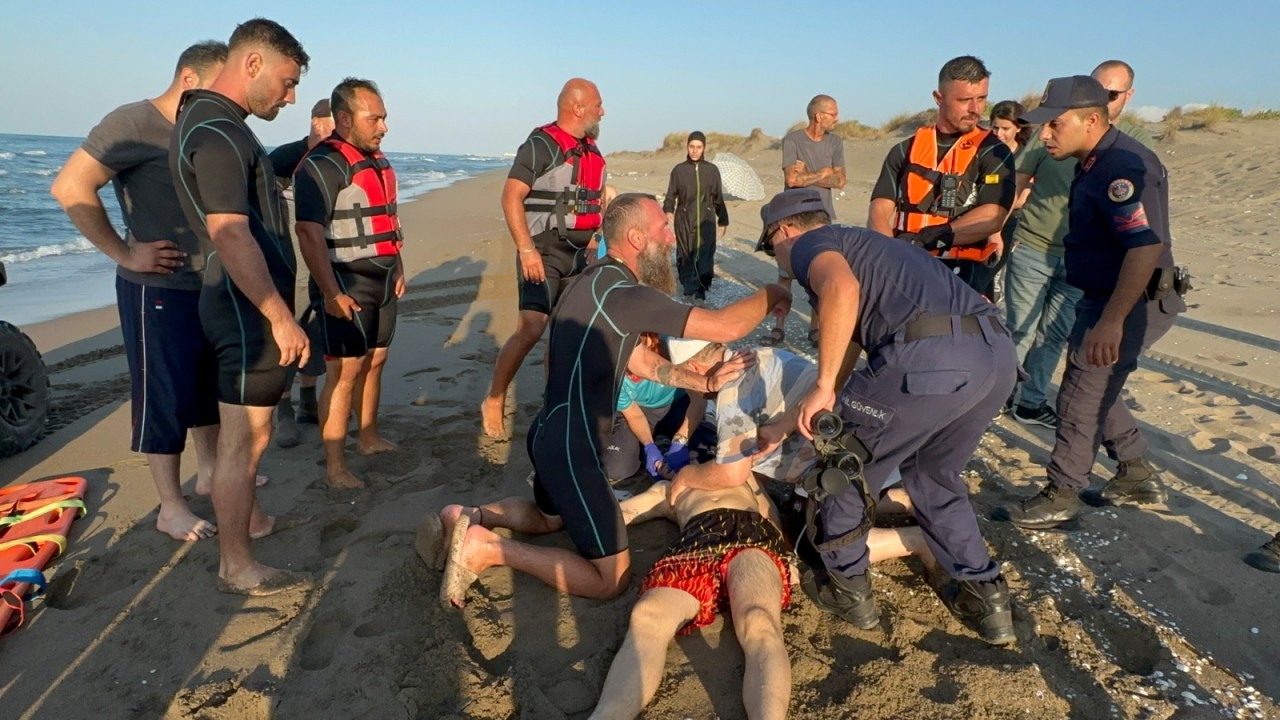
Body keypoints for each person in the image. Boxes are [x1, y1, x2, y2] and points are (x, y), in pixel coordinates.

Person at [430, 194, 790, 607]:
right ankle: (487, 550)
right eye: (662, 230)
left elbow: (636, 358)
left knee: (550, 517)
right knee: (611, 580)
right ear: (637, 238)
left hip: (548, 431)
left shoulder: (588, 280)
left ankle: (466, 515)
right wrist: (772, 291)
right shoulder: (628, 295)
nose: (670, 239)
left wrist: (700, 382)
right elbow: (724, 327)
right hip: (575, 448)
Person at [588, 345, 939, 719]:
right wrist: (576, 514)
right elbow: (622, 513)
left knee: (758, 621)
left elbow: (769, 513)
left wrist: (784, 556)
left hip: (749, 537)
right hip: (697, 542)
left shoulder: (738, 476)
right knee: (646, 617)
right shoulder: (669, 490)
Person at [758, 187, 1018, 645]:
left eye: (771, 245)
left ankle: (847, 588)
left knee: (844, 465)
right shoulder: (873, 249)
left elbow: (841, 289)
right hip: (994, 356)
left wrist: (821, 390)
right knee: (934, 476)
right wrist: (789, 421)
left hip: (929, 356)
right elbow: (847, 352)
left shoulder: (811, 246)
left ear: (784, 229)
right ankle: (987, 598)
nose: (778, 258)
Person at [50, 42, 229, 542]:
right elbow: (70, 187)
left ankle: (210, 470)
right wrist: (126, 253)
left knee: (203, 387)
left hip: (205, 284)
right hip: (156, 289)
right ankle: (170, 506)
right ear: (191, 80)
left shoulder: (204, 128)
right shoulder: (132, 122)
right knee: (163, 395)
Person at [996, 75, 1186, 530]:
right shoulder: (1094, 159)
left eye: (1054, 125)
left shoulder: (1121, 167)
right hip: (1104, 295)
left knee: (1080, 396)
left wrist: (1112, 322)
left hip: (1131, 300)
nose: (1044, 135)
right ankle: (1136, 471)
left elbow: (1143, 247)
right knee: (1095, 385)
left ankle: (1062, 493)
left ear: (1091, 119)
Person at [169, 18, 312, 596]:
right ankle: (237, 565)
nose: (291, 95)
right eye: (287, 80)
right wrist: (280, 316)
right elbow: (229, 232)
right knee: (244, 442)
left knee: (249, 437)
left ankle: (252, 520)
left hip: (240, 306)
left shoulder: (216, 123)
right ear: (252, 64)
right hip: (244, 312)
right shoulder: (218, 131)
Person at [1003, 60, 1156, 429]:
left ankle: (1031, 402)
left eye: (1112, 94)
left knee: (1054, 336)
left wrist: (1115, 318)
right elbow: (1016, 183)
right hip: (1035, 246)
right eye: (1098, 91)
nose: (1046, 133)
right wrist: (997, 230)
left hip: (1079, 264)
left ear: (1126, 97)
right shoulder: (1054, 135)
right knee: (1019, 328)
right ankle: (1000, 393)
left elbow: (1144, 239)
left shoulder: (1131, 153)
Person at [293, 78, 404, 490]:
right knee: (344, 372)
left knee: (376, 360)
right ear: (344, 118)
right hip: (346, 281)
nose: (383, 126)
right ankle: (335, 466)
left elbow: (389, 220)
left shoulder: (377, 160)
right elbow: (308, 232)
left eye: (384, 117)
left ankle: (369, 437)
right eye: (374, 118)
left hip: (384, 278)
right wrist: (331, 292)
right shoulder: (323, 164)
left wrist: (399, 268)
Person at [481, 78, 607, 438]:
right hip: (544, 251)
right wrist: (526, 250)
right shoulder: (541, 145)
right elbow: (511, 197)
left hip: (579, 255)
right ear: (577, 107)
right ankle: (494, 398)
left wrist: (594, 238)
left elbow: (594, 202)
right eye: (598, 104)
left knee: (565, 334)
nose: (603, 110)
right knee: (532, 327)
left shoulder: (592, 151)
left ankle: (555, 404)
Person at [868, 56, 1016, 295]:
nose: (976, 109)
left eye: (982, 99)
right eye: (964, 100)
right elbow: (878, 210)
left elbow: (993, 216)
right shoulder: (904, 151)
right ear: (938, 98)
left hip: (963, 277)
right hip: (906, 268)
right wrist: (893, 255)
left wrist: (934, 236)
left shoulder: (994, 153)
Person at [269, 98, 334, 446]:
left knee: (316, 327)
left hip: (321, 254)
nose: (334, 131)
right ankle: (283, 410)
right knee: (287, 329)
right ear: (315, 122)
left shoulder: (336, 159)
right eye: (329, 123)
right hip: (286, 256)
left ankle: (309, 401)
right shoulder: (284, 157)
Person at [764, 95, 845, 348]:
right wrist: (824, 172)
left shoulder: (836, 142)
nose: (837, 118)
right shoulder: (793, 140)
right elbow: (792, 180)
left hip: (823, 217)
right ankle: (778, 328)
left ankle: (815, 329)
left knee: (819, 274)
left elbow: (841, 181)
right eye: (833, 113)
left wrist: (807, 174)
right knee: (785, 275)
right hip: (793, 217)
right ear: (818, 115)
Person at [601, 334, 705, 484]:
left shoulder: (673, 352)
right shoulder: (613, 373)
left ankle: (670, 446)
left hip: (677, 405)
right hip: (639, 411)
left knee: (705, 451)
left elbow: (699, 400)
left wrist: (680, 441)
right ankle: (650, 451)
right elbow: (633, 414)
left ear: (649, 342)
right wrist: (649, 446)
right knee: (617, 468)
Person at [663, 131, 728, 304]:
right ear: (687, 147)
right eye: (692, 147)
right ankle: (688, 288)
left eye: (699, 147)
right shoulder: (679, 170)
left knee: (705, 253)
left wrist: (723, 220)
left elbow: (718, 197)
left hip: (706, 218)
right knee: (686, 253)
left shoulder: (712, 171)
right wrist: (668, 210)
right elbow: (670, 195)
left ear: (704, 148)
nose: (695, 151)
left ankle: (701, 290)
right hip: (684, 217)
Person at [980, 99, 1031, 302]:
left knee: (988, 272)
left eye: (1005, 128)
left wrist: (996, 227)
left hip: (1011, 222)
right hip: (982, 217)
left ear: (1018, 128)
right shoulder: (986, 151)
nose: (999, 133)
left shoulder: (1027, 155)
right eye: (994, 127)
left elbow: (1020, 199)